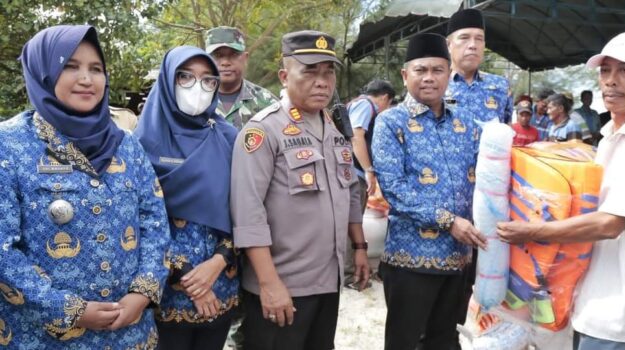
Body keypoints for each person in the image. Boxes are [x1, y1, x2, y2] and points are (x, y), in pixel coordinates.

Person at [497, 32, 625, 349]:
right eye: (605, 70)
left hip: (620, 314)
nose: (611, 81)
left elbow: (610, 223)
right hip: (590, 303)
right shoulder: (611, 135)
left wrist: (534, 231)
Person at [0, 25, 170, 348]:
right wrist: (71, 310)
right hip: (43, 338)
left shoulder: (127, 145)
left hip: (129, 336)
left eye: (96, 69)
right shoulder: (9, 146)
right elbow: (3, 253)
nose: (86, 79)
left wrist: (142, 292)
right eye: (70, 66)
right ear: (44, 73)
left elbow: (154, 222)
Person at [230, 30, 371, 350]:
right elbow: (247, 212)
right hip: (283, 286)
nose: (322, 81)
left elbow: (349, 190)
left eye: (328, 72)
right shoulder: (264, 131)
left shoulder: (335, 129)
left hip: (327, 281)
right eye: (309, 71)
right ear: (284, 76)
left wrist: (359, 247)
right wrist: (269, 283)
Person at [372, 32, 487, 350]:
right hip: (411, 261)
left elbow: (488, 178)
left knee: (445, 342)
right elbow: (395, 189)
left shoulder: (467, 124)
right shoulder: (390, 123)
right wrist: (450, 221)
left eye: (437, 70)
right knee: (405, 343)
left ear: (449, 74)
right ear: (404, 74)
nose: (429, 78)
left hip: (459, 259)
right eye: (420, 70)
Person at [135, 46, 239, 350]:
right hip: (166, 292)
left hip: (221, 284)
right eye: (186, 77)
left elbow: (245, 210)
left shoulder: (228, 138)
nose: (198, 88)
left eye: (208, 80)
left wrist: (219, 262)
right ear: (168, 81)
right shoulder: (140, 144)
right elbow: (139, 221)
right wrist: (188, 279)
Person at [342, 79, 396, 288]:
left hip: (348, 171)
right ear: (384, 98)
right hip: (352, 173)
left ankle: (351, 272)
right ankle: (350, 276)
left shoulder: (356, 103)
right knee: (352, 222)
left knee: (350, 221)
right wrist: (368, 170)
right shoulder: (366, 105)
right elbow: (356, 136)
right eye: (388, 105)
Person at [445, 8, 512, 124]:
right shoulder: (432, 86)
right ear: (448, 45)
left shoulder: (501, 86)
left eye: (479, 39)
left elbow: (506, 131)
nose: (473, 45)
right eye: (464, 38)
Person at [205, 26, 277, 129]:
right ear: (206, 59)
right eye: (218, 55)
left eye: (234, 55)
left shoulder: (268, 103)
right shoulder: (194, 100)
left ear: (245, 58)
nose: (225, 62)